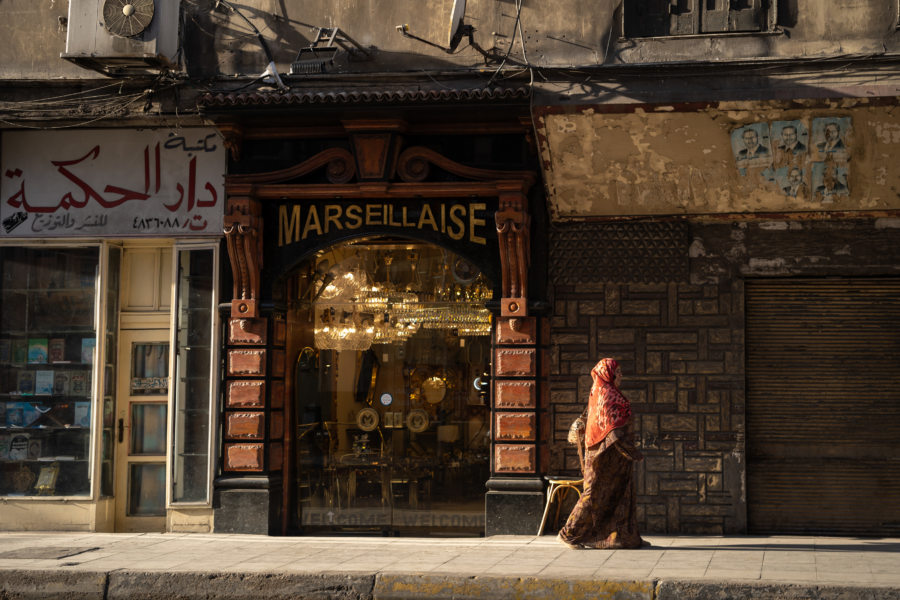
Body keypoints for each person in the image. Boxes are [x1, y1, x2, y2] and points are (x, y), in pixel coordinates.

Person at [558, 358, 645, 549]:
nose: (620, 375)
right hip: (603, 455)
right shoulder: (605, 393)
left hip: (616, 455)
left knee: (621, 493)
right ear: (608, 373)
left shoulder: (606, 392)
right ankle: (568, 533)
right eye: (617, 372)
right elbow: (610, 428)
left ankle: (623, 536)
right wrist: (628, 448)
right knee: (593, 493)